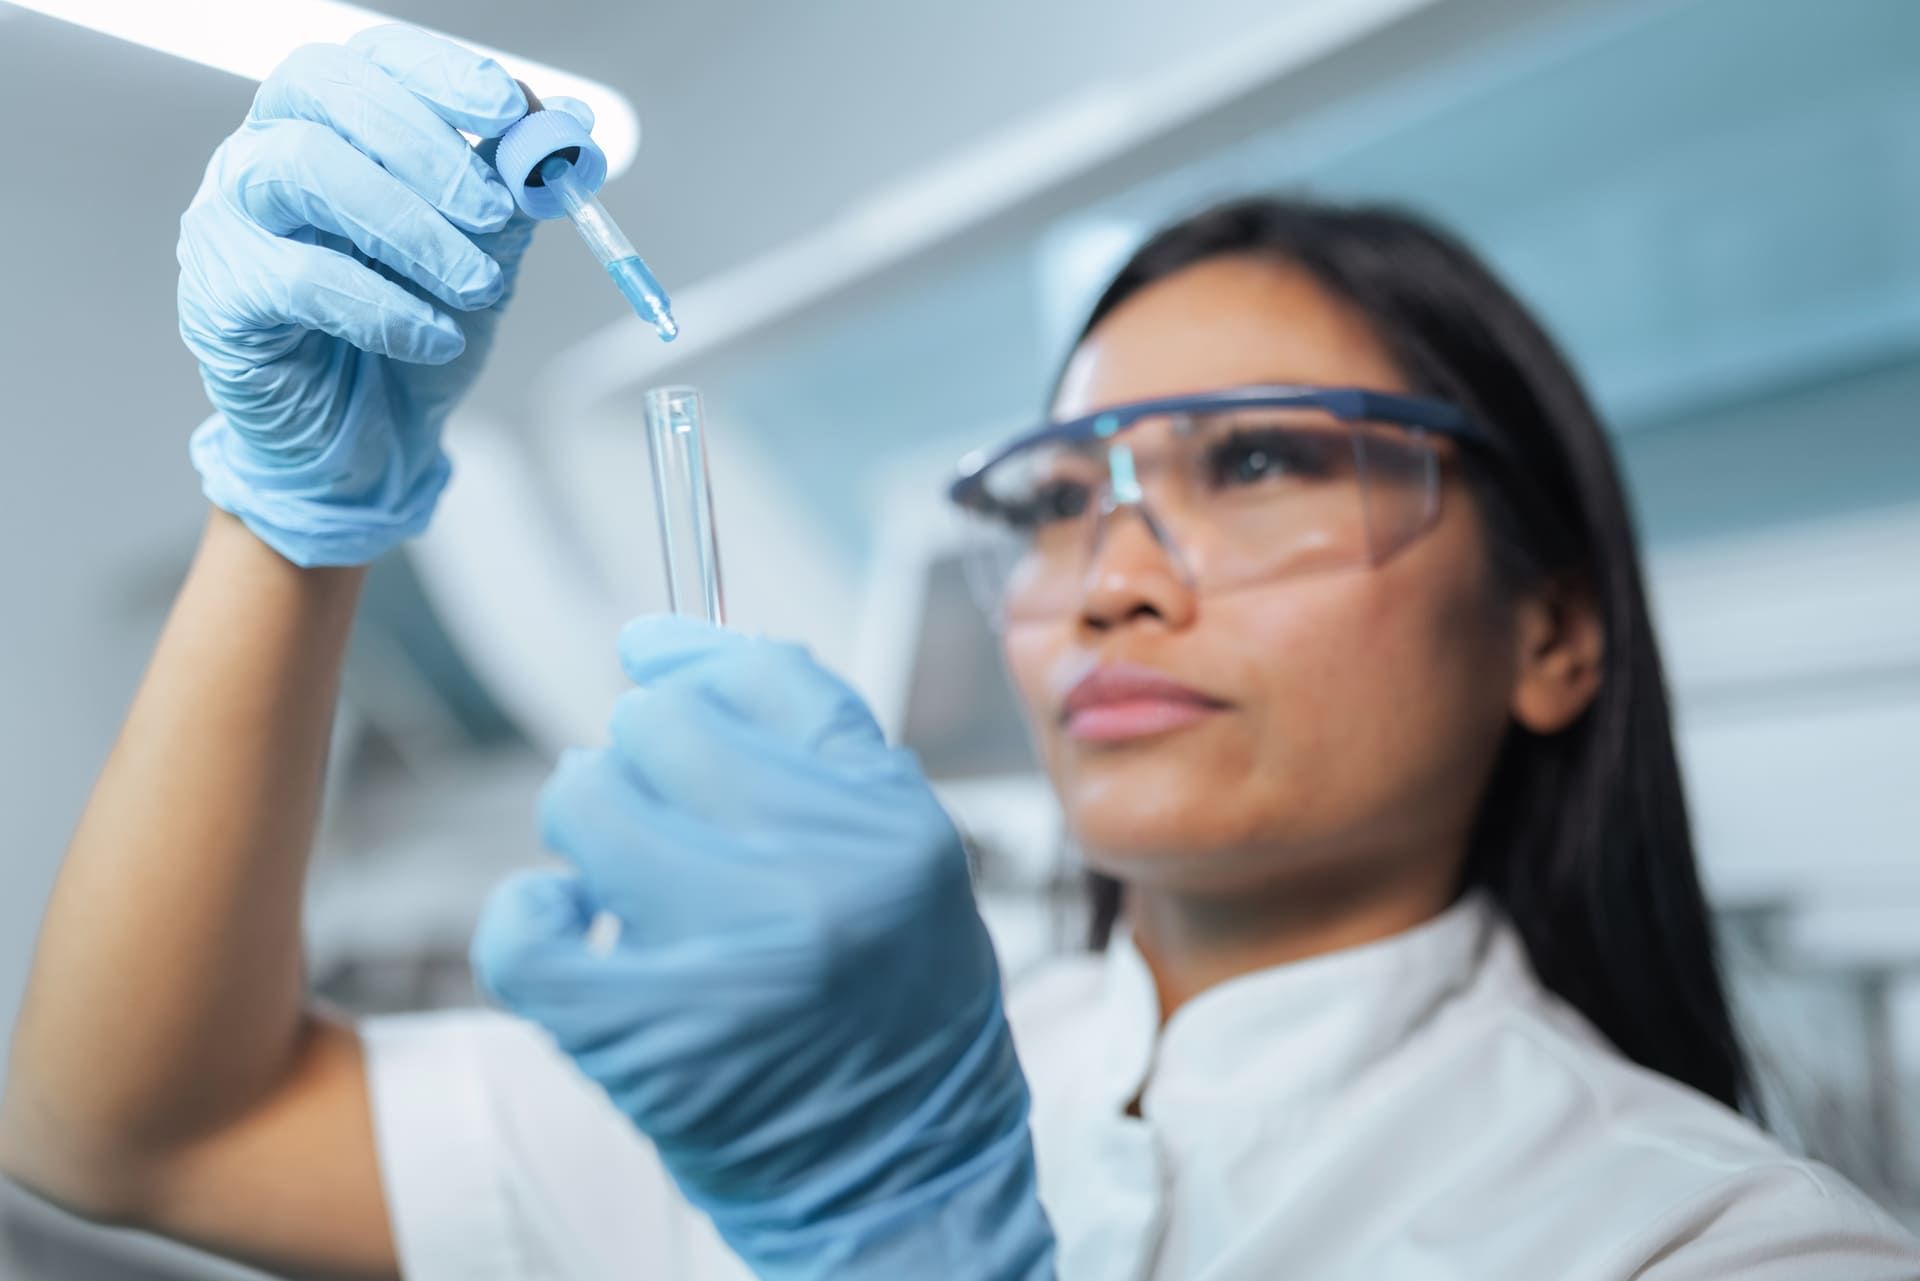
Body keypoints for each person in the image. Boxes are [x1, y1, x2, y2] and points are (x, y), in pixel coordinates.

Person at [3, 24, 1917, 1281]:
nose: (1108, 579)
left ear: (1555, 631)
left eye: (1251, 460)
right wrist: (294, 514)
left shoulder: (1716, 1245)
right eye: (1058, 492)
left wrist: (913, 1237)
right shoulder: (825, 1064)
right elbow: (131, 1121)